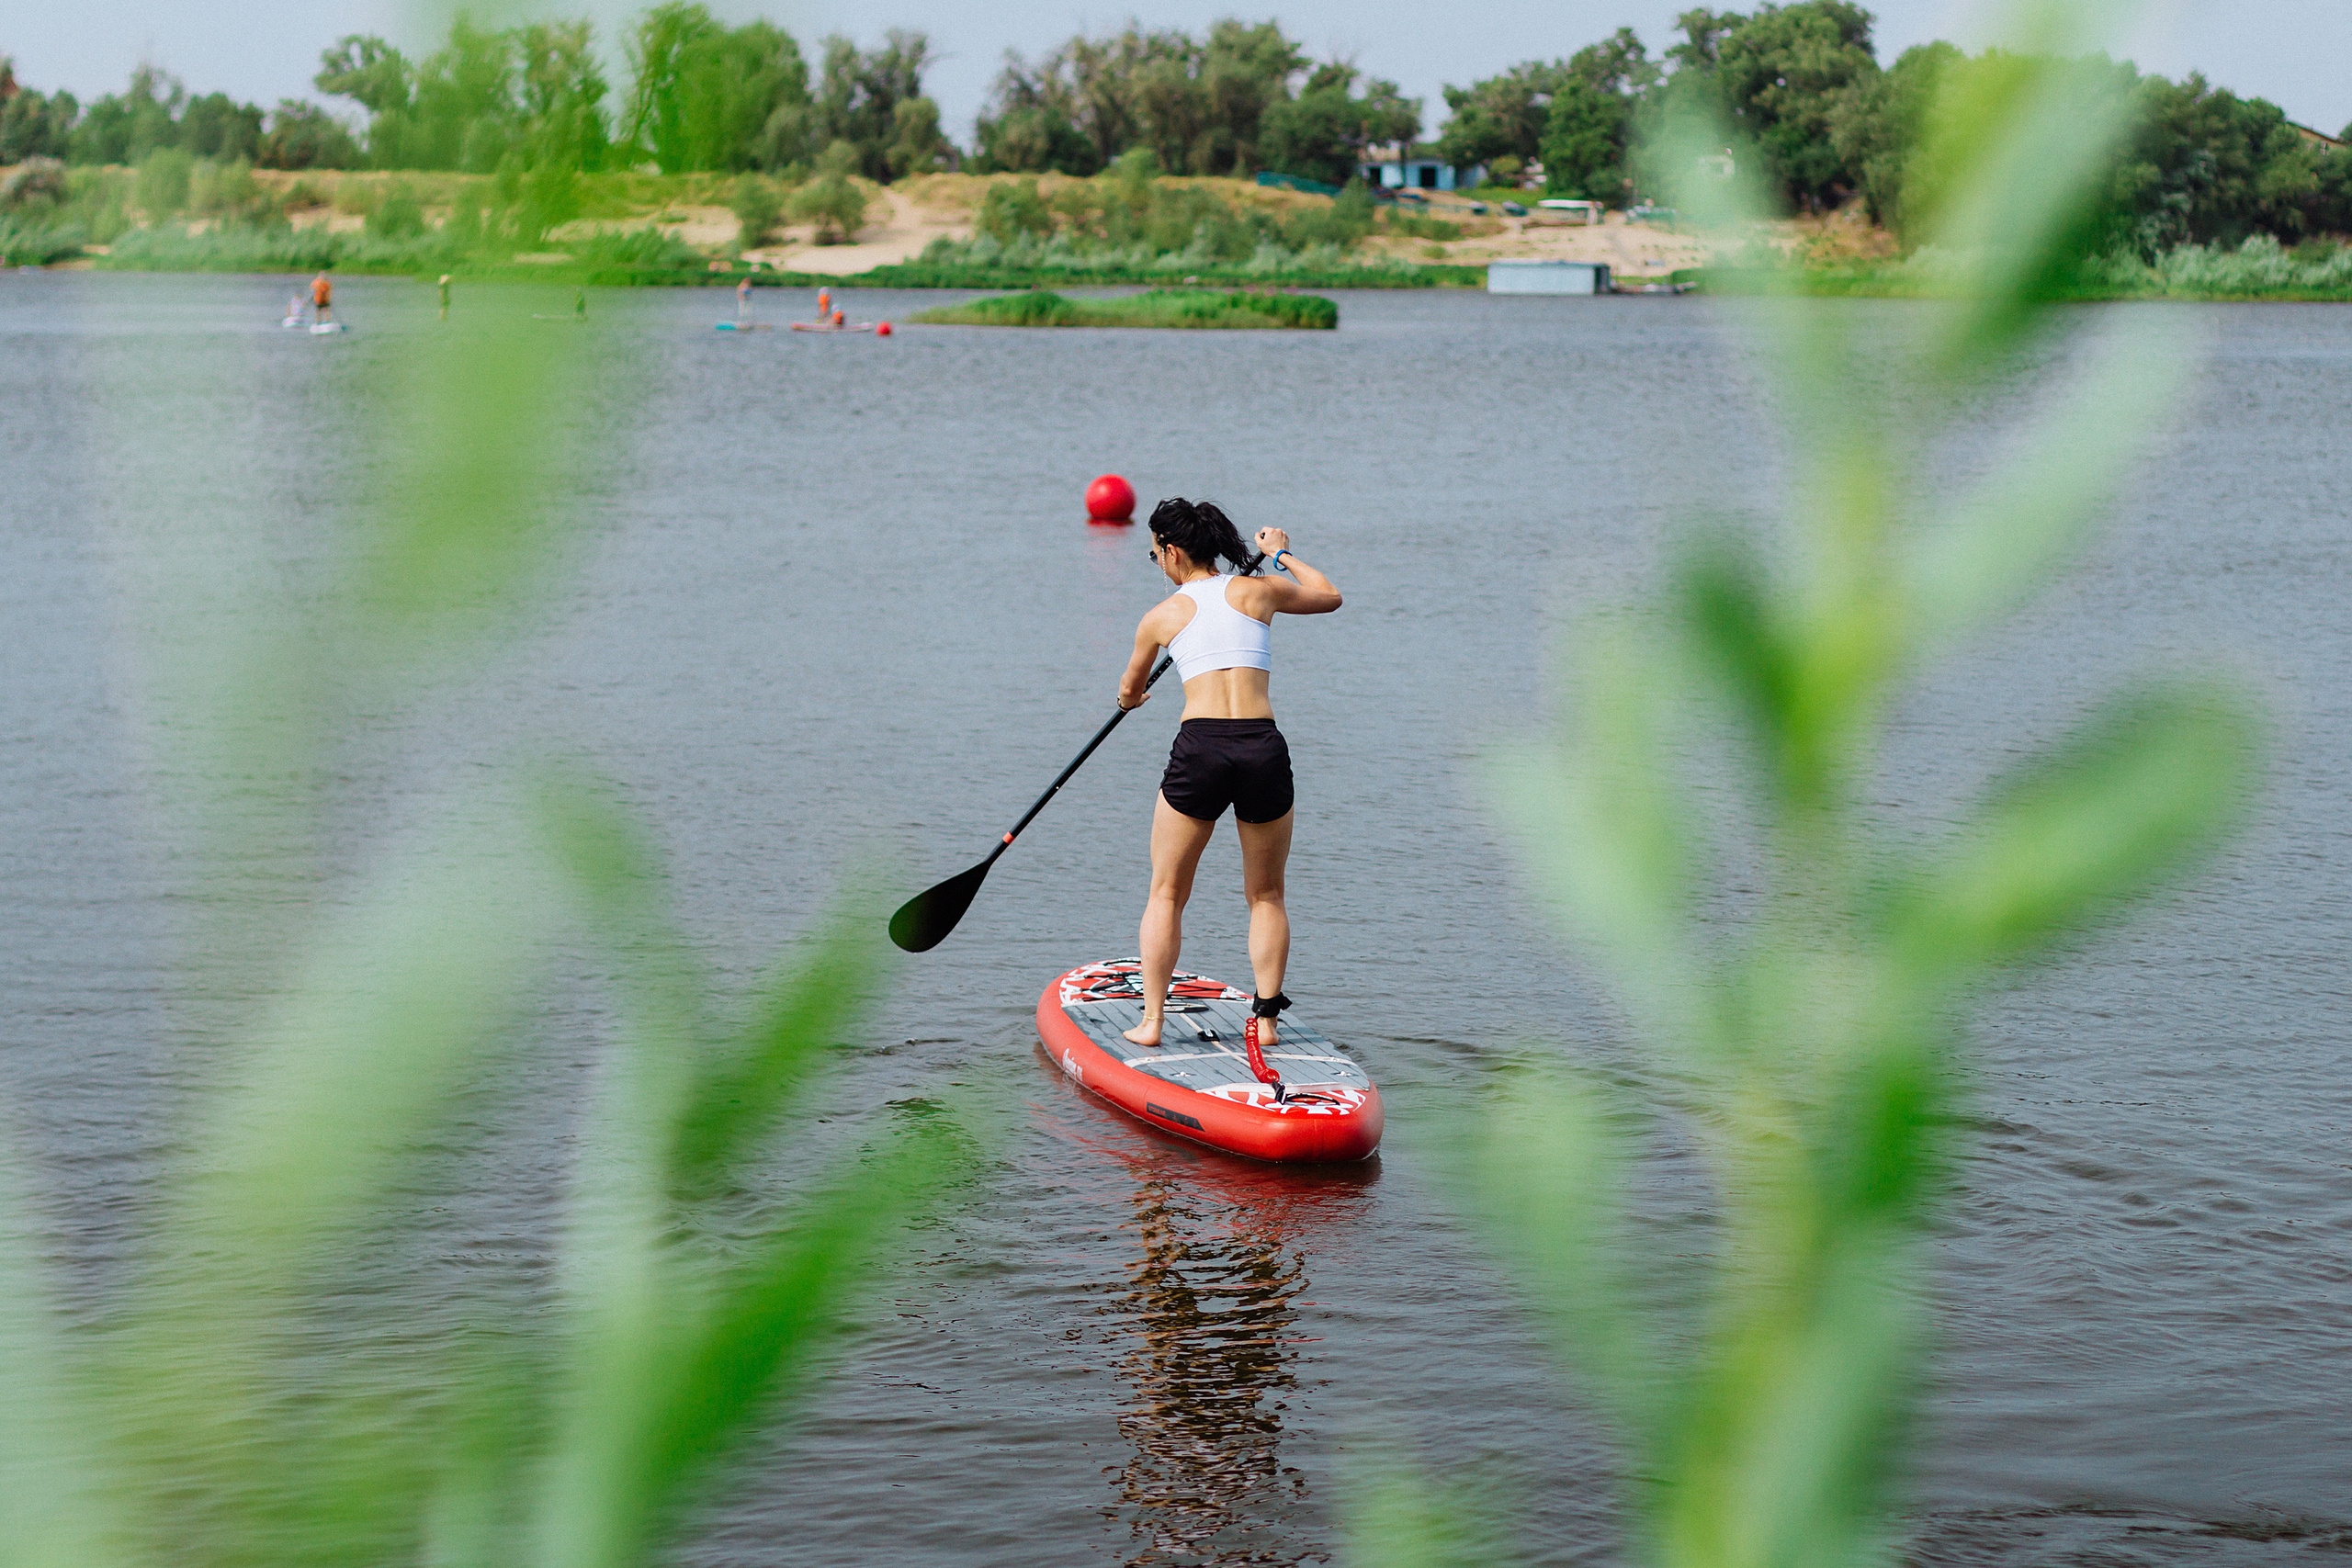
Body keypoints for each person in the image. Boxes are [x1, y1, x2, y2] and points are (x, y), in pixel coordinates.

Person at [1114, 499, 1342, 1084]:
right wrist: (1280, 553)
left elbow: (1129, 689)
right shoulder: (1259, 592)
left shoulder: (1162, 616)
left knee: (1166, 892)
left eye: (1154, 553)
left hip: (1202, 749)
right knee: (1266, 894)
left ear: (1170, 551)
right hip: (1263, 746)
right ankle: (1266, 1021)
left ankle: (1153, 1021)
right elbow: (1327, 594)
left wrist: (1131, 699)